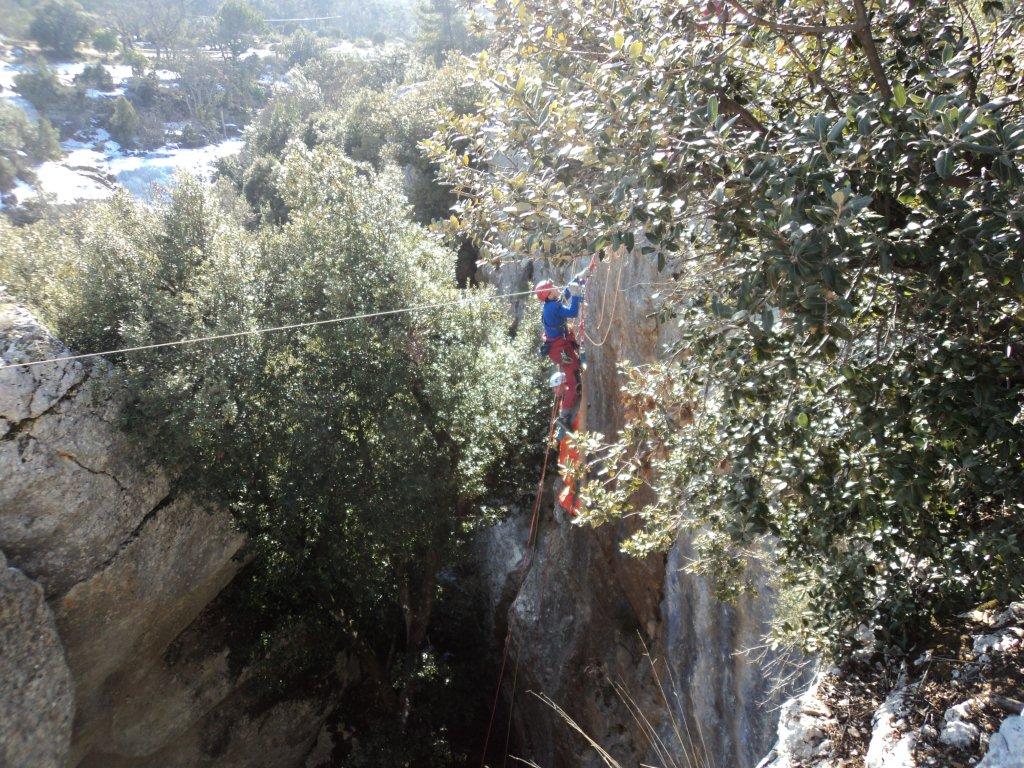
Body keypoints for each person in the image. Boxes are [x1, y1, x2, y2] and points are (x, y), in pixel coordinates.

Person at [535, 275, 586, 436]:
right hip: (560, 350)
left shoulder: (551, 304)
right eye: (552, 287)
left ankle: (568, 408)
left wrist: (576, 281)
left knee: (574, 370)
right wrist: (576, 294)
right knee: (572, 380)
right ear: (549, 295)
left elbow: (563, 296)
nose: (556, 287)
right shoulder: (552, 308)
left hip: (558, 348)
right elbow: (573, 312)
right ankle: (564, 418)